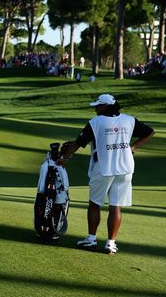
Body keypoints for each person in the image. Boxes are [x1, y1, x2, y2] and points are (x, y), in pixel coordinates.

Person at [57, 94, 155, 254]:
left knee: (95, 204)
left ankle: (91, 239)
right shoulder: (129, 119)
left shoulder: (96, 122)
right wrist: (133, 147)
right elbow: (150, 132)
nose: (95, 108)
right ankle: (110, 243)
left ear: (105, 106)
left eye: (98, 106)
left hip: (103, 167)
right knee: (116, 205)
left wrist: (64, 158)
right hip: (125, 168)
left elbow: (78, 143)